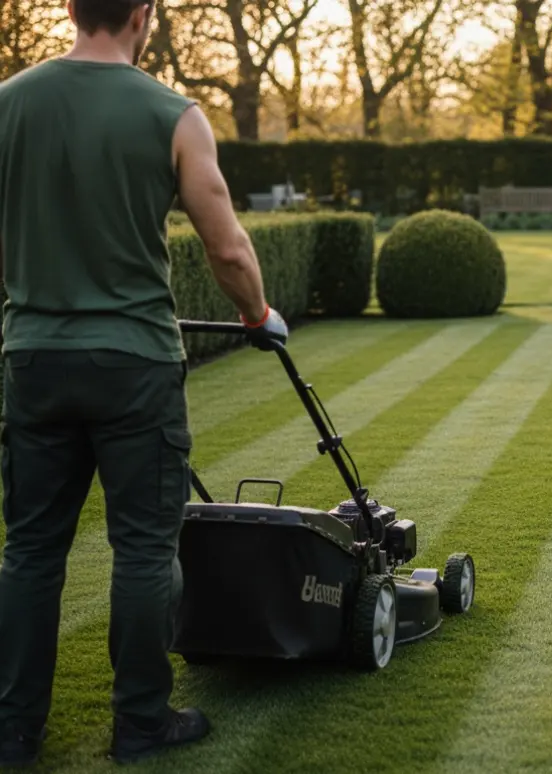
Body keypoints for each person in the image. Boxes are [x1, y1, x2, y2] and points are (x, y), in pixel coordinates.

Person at [0, 0, 289, 766]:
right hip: (134, 363)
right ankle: (141, 723)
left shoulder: (7, 104)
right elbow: (226, 247)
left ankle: (13, 730)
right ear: (143, 15)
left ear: (69, 8)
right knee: (142, 548)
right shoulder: (173, 114)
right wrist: (258, 313)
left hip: (33, 357)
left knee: (29, 552)